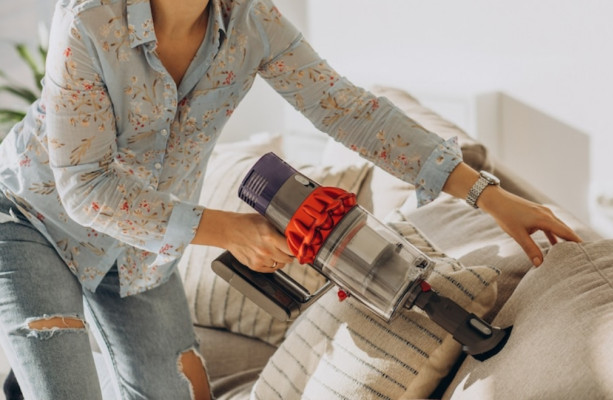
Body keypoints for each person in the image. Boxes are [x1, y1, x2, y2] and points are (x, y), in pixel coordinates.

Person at [0, 0, 581, 398]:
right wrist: (229, 231)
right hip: (34, 219)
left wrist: (485, 193)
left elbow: (353, 111)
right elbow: (85, 186)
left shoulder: (252, 23)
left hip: (141, 248)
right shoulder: (90, 20)